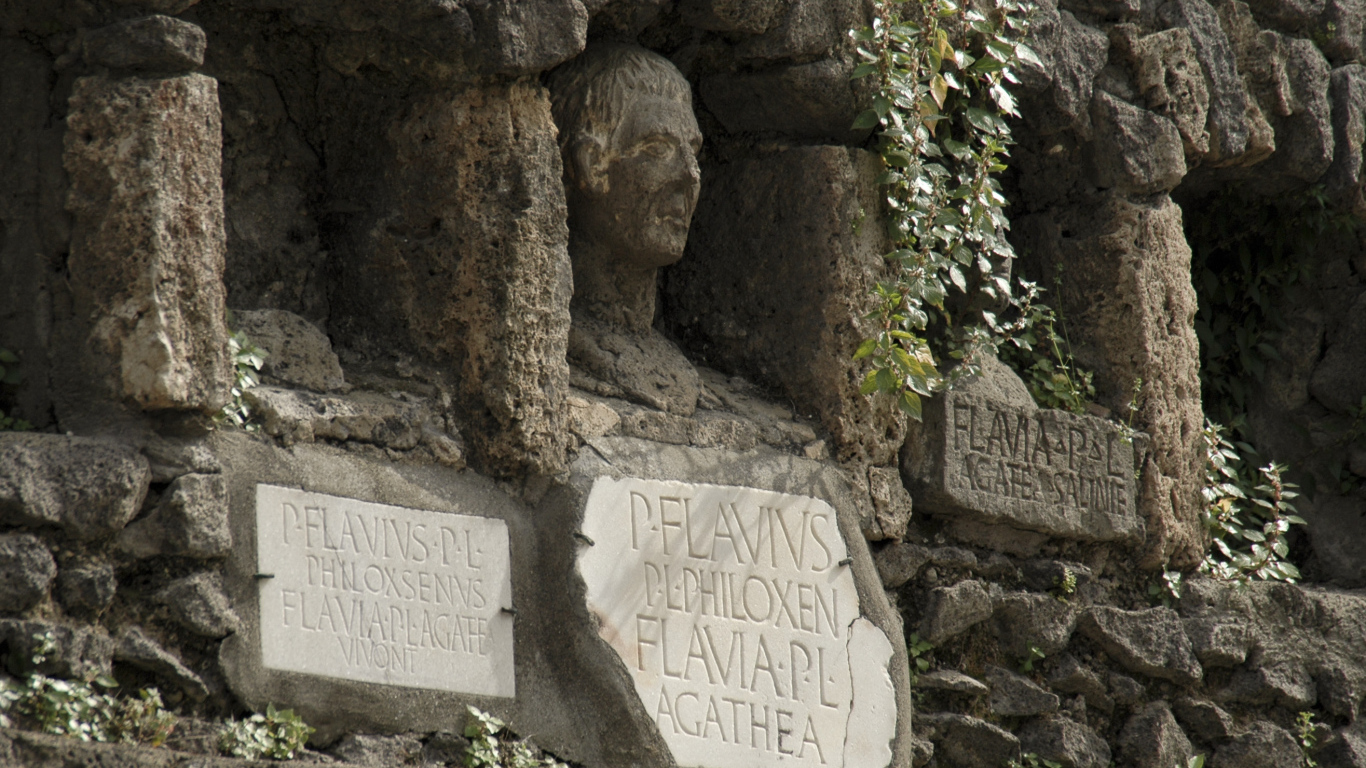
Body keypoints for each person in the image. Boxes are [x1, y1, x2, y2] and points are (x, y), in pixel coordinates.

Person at [549, 42, 703, 415]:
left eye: (694, 151)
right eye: (658, 148)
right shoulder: (551, 345)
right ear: (590, 165)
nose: (690, 174)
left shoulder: (680, 371)